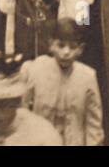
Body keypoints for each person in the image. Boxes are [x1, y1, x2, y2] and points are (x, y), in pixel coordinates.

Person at [21, 17, 104, 146]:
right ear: (51, 45)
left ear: (80, 49)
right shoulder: (36, 69)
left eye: (72, 47)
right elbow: (22, 109)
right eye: (60, 45)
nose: (66, 52)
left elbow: (93, 123)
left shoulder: (87, 76)